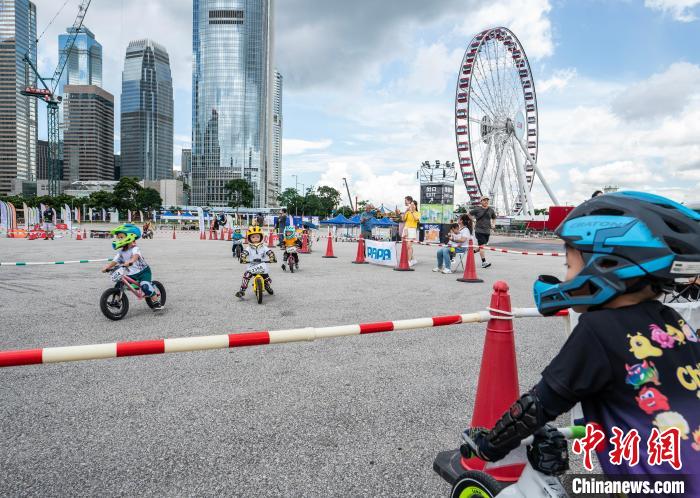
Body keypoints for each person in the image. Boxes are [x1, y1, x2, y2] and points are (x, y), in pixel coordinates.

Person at [459, 192, 700, 490]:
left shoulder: (598, 329)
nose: (566, 276)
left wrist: (488, 445)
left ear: (607, 265)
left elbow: (538, 406)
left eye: (569, 265)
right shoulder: (674, 322)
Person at [101, 223, 163, 310]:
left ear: (130, 236)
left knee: (144, 285)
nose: (119, 239)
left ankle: (156, 302)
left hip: (143, 272)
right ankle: (116, 302)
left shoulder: (135, 248)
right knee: (119, 284)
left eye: (121, 237)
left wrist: (131, 261)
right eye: (118, 238)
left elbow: (135, 257)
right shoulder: (121, 252)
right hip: (132, 274)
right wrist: (107, 267)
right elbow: (114, 261)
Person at [235, 226, 277, 299]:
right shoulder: (249, 247)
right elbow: (244, 253)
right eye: (253, 237)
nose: (255, 239)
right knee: (246, 276)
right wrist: (243, 257)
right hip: (252, 266)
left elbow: (269, 252)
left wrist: (272, 257)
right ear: (249, 238)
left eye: (257, 237)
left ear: (261, 237)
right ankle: (242, 291)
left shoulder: (264, 247)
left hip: (262, 266)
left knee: (267, 279)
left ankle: (267, 287)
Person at [469, 197, 496, 268]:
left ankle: (471, 252)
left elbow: (494, 218)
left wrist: (493, 224)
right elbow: (468, 214)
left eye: (487, 200)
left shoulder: (491, 210)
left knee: (482, 246)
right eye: (484, 200)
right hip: (479, 230)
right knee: (482, 247)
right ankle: (484, 262)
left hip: (487, 231)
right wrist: (473, 220)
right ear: (481, 201)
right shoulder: (477, 209)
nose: (486, 201)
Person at [401, 197, 420, 264]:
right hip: (406, 229)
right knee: (405, 246)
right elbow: (403, 219)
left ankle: (409, 261)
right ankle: (412, 259)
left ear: (415, 206)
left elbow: (416, 219)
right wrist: (406, 211)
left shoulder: (417, 213)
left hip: (412, 229)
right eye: (411, 205)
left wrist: (412, 212)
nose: (411, 206)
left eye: (413, 205)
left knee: (409, 246)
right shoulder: (408, 212)